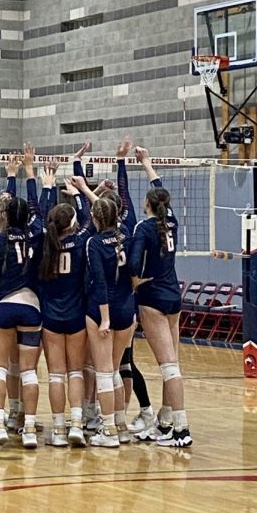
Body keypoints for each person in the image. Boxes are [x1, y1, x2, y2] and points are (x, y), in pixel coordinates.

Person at [129, 147, 192, 448]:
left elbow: (132, 263)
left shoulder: (144, 227)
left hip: (152, 297)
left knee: (169, 367)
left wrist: (135, 281)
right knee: (172, 364)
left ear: (147, 205)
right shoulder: (172, 222)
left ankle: (181, 428)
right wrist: (147, 164)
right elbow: (159, 189)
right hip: (173, 295)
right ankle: (166, 422)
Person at [0, 143, 43, 450]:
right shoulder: (37, 233)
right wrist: (29, 172)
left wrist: (11, 175)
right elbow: (34, 207)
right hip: (32, 307)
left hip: (3, 307)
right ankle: (29, 429)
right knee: (29, 371)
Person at [39, 175, 93, 447]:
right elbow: (90, 220)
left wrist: (46, 188)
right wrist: (80, 192)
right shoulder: (82, 242)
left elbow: (40, 217)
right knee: (76, 372)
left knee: (56, 375)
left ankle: (58, 429)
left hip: (50, 317)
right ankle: (76, 425)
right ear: (71, 224)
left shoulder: (44, 243)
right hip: (76, 317)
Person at [84, 196, 135, 447]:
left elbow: (100, 282)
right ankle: (121, 424)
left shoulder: (93, 243)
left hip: (103, 310)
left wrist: (104, 318)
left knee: (104, 373)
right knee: (114, 371)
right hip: (127, 309)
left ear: (94, 218)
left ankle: (108, 431)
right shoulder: (126, 233)